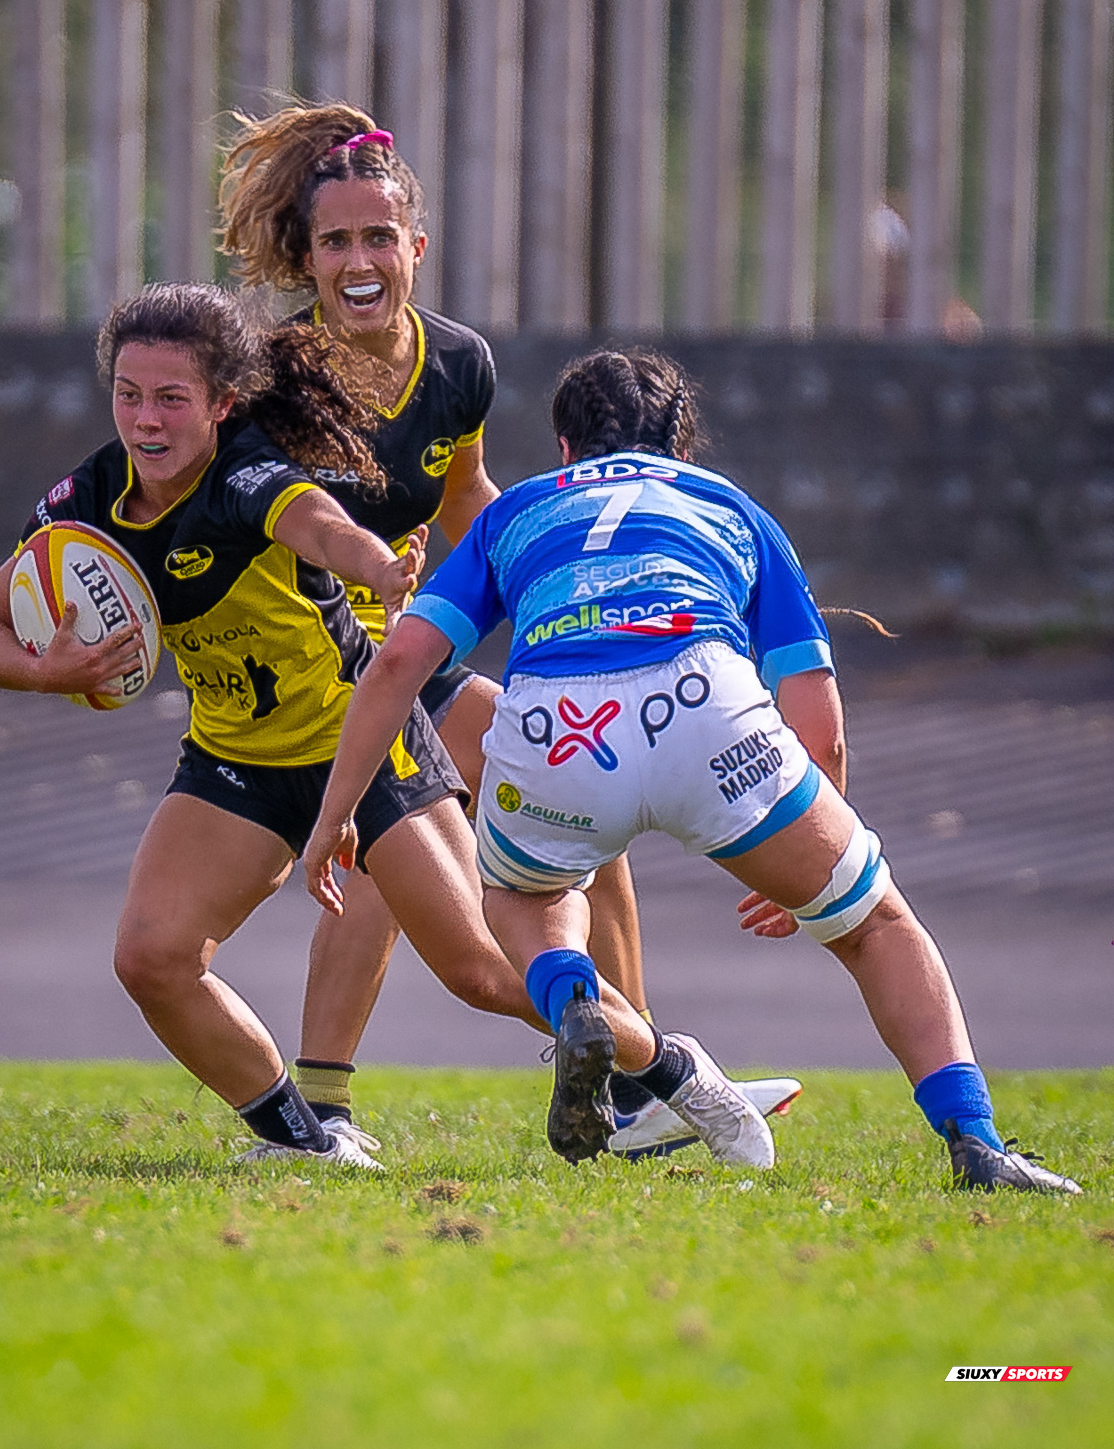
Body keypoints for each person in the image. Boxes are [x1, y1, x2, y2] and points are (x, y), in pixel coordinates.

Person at [305, 349, 1082, 1193]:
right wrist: (817, 850)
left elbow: (398, 666)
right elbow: (816, 710)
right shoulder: (728, 505)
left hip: (556, 724)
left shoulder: (519, 511)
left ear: (565, 448)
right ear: (681, 448)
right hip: (704, 704)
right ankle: (976, 1142)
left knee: (526, 898)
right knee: (877, 926)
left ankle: (573, 1001)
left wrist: (336, 815)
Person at [219, 102, 800, 1156]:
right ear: (307, 260)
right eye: (337, 241)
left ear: (415, 248)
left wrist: (566, 573)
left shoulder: (458, 368)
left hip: (392, 651)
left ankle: (628, 1089)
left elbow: (470, 505)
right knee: (422, 882)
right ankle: (325, 1116)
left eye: (378, 237)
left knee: (577, 791)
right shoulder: (273, 383)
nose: (360, 259)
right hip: (306, 667)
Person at [0, 283, 558, 1168]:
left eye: (171, 399)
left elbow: (322, 528)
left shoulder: (247, 475)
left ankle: (663, 1066)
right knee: (151, 958)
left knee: (478, 971)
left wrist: (384, 570)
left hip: (359, 744)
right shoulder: (87, 497)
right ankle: (303, 1143)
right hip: (234, 762)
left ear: (221, 404)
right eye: (129, 394)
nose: (146, 420)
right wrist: (52, 671)